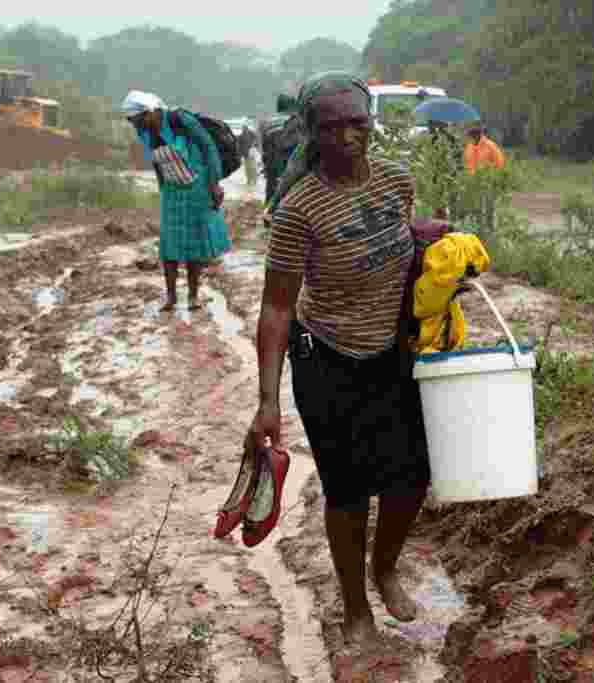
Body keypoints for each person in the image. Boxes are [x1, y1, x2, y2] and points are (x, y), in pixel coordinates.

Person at [248, 71, 430, 646]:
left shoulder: (398, 181)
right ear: (311, 132)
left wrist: (429, 243)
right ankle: (356, 608)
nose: (349, 137)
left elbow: (396, 241)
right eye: (333, 127)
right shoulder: (299, 208)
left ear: (370, 121)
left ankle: (385, 568)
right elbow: (276, 309)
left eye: (358, 123)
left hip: (392, 352)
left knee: (411, 480)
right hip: (327, 359)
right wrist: (266, 403)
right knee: (348, 492)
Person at [121, 91, 230, 311]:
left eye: (138, 120)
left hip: (198, 187)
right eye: (133, 122)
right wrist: (163, 189)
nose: (136, 126)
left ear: (149, 112)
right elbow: (156, 161)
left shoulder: (181, 120)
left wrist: (215, 183)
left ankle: (193, 296)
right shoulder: (145, 131)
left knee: (195, 243)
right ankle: (170, 297)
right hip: (172, 191)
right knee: (169, 244)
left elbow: (208, 147)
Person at [463, 124, 506, 235]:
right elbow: (467, 163)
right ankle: (478, 230)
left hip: (488, 182)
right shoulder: (470, 146)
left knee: (488, 208)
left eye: (471, 136)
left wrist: (495, 178)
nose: (470, 139)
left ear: (478, 135)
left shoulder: (490, 146)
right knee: (475, 207)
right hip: (473, 183)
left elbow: (499, 163)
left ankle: (490, 230)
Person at [258, 93, 300, 205]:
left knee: (272, 199)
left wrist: (266, 167)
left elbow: (264, 151)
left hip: (273, 168)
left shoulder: (266, 123)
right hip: (293, 167)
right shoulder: (299, 121)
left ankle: (269, 217)